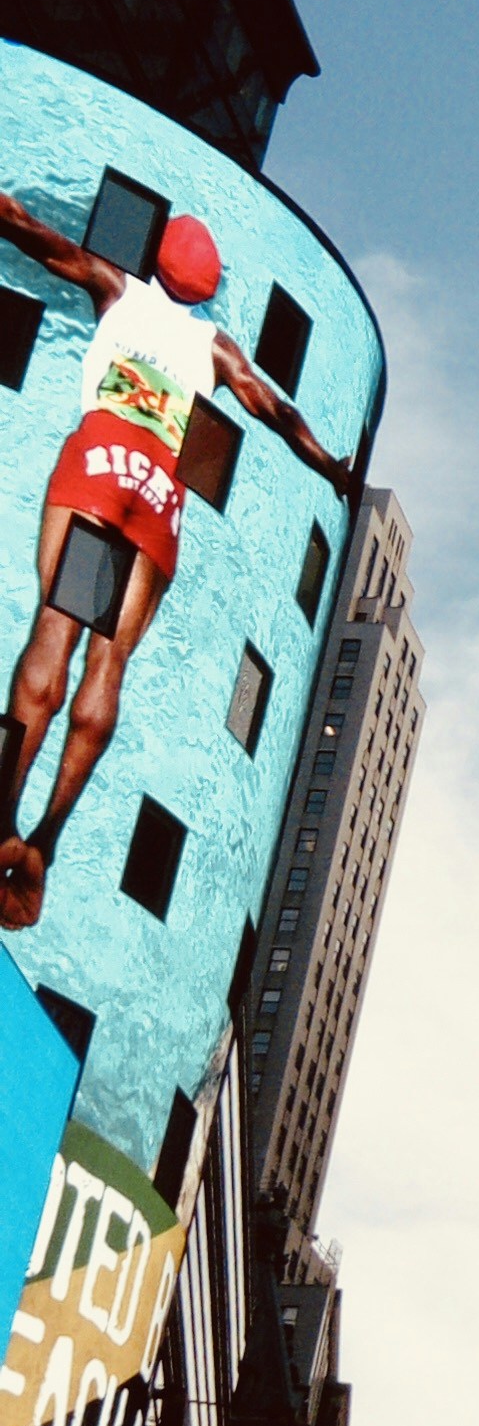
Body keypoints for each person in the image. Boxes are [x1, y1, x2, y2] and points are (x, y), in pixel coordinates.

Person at [0, 189, 352, 929]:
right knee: (109, 666)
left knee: (54, 637)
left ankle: (1, 815)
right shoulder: (216, 348)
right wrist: (333, 468)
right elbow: (279, 413)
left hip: (100, 471)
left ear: (157, 261)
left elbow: (31, 233)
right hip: (156, 501)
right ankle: (46, 847)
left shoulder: (116, 288)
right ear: (207, 288)